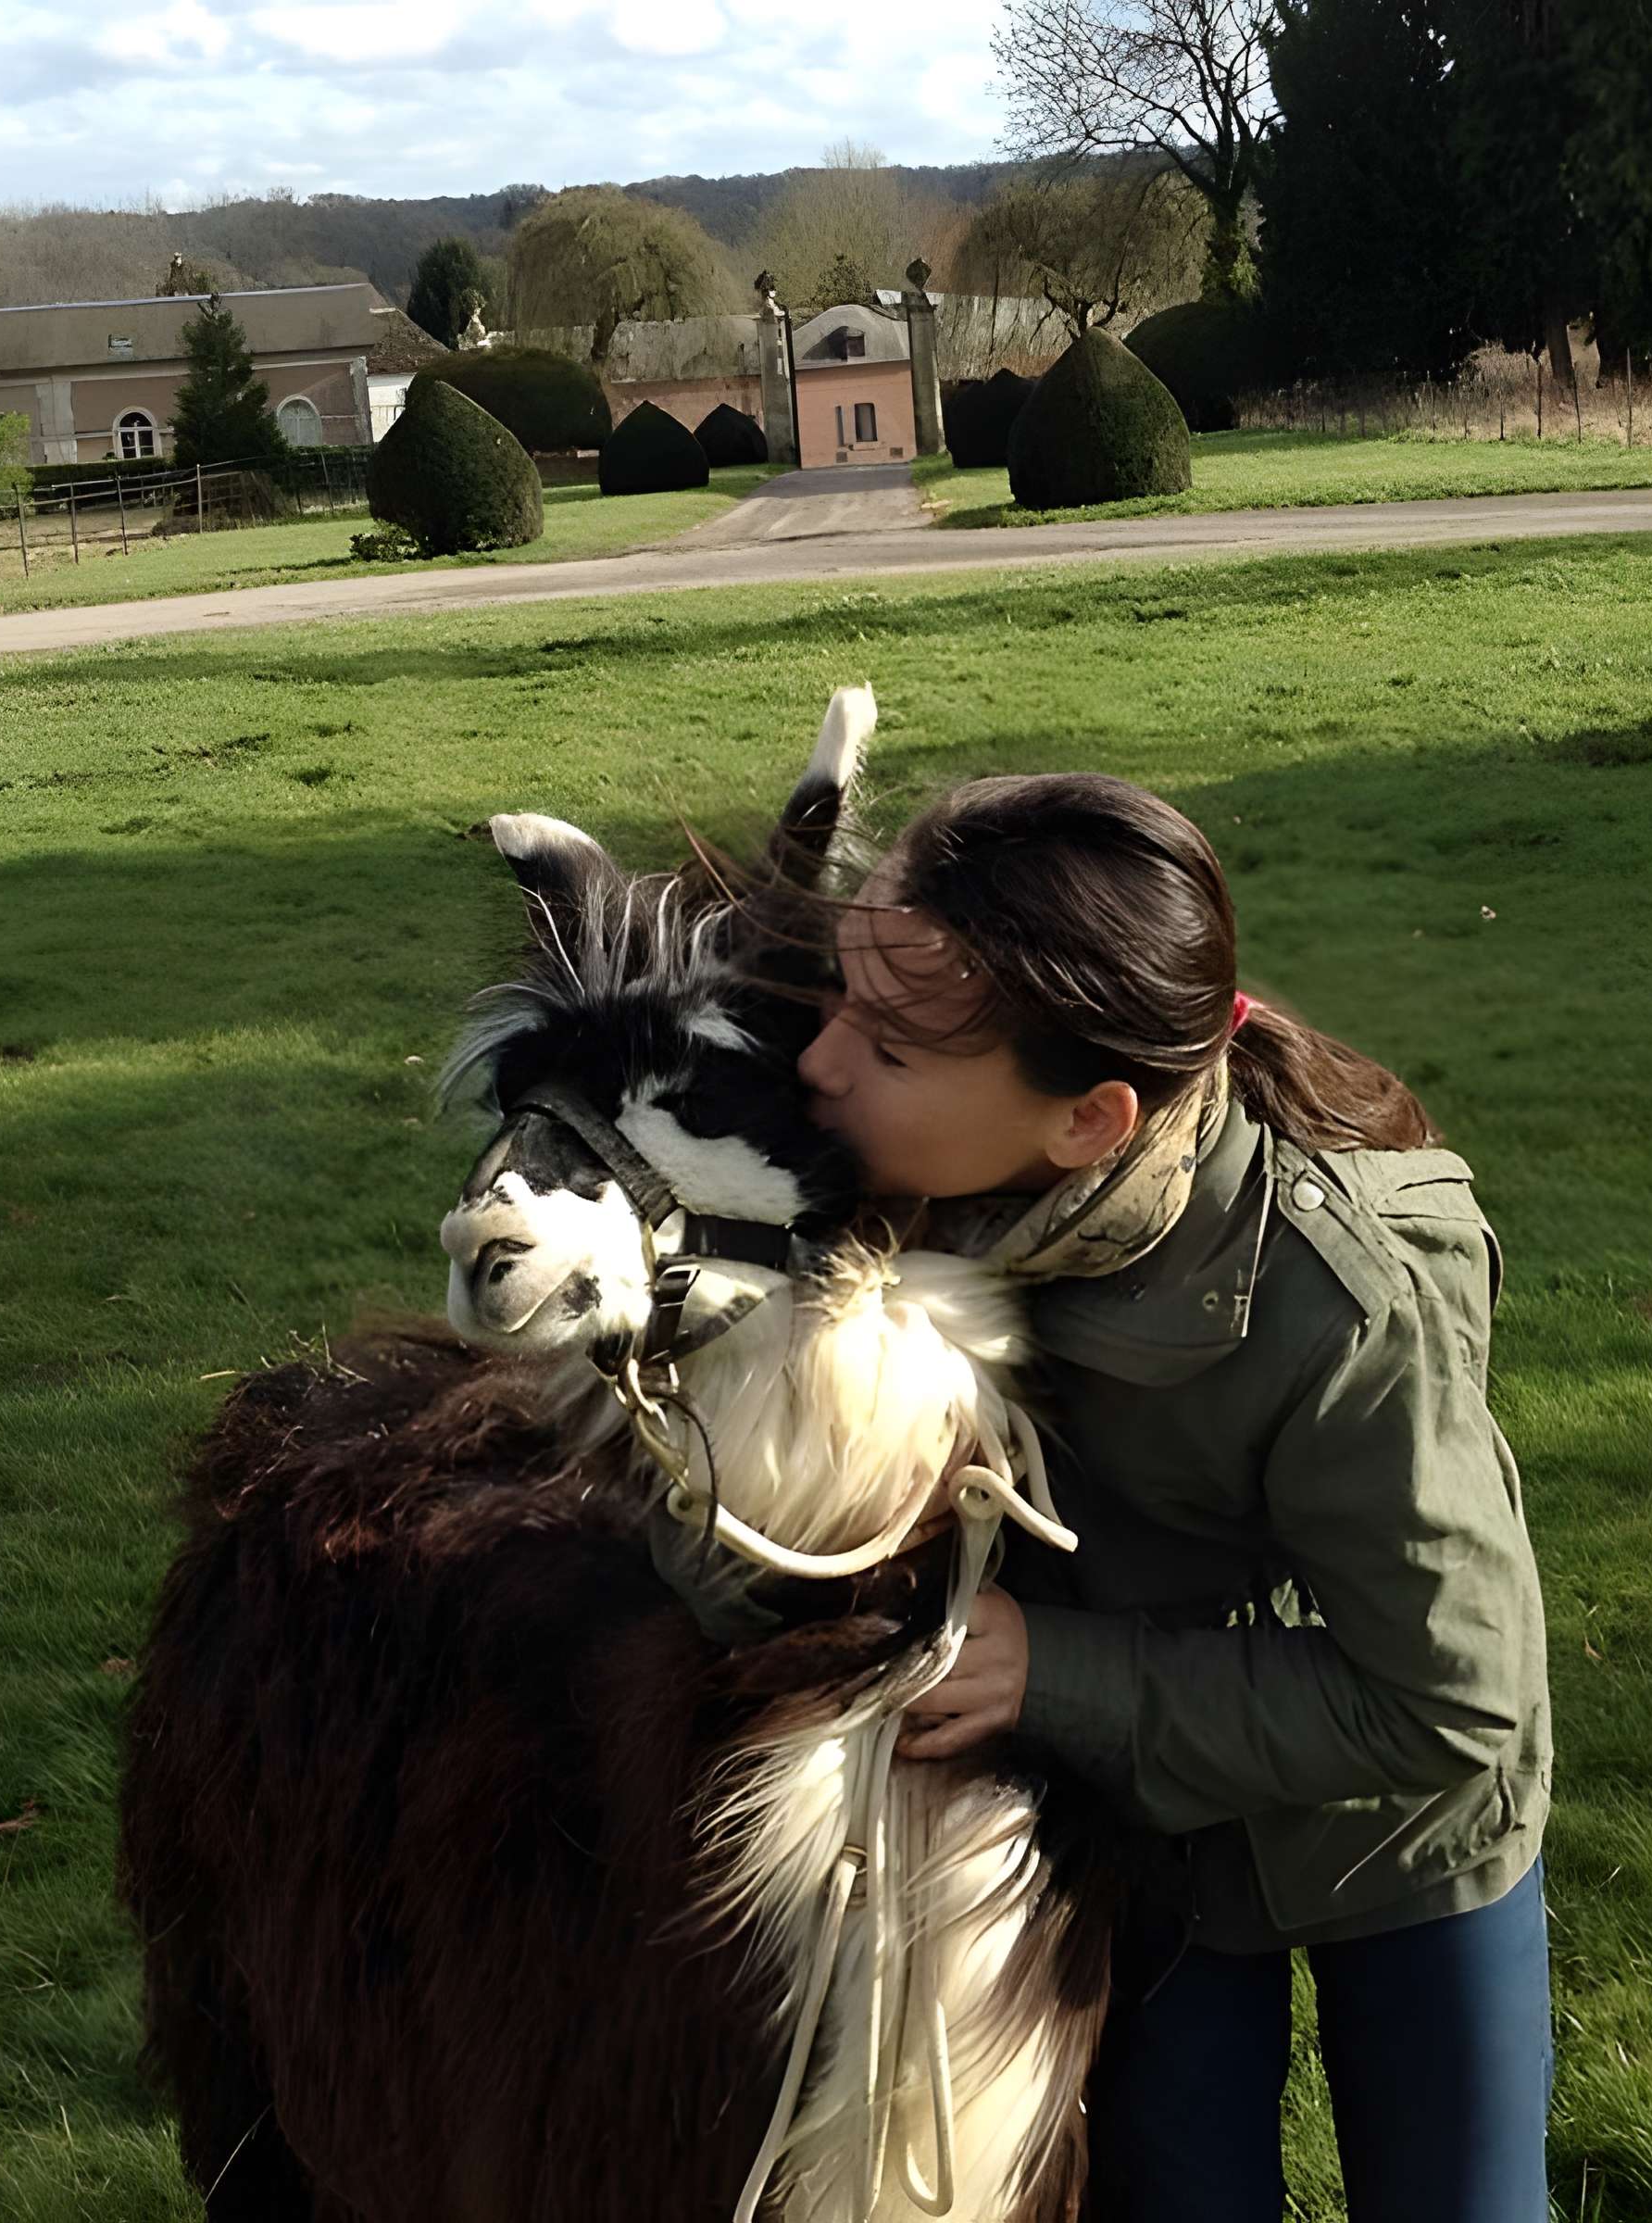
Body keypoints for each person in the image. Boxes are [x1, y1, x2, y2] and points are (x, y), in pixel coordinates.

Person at [662, 771, 1554, 2222]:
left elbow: (1454, 1702)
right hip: (1137, 1844)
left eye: (882, 1045)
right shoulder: (875, 1176)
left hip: (1401, 1827)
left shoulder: (1340, 1311)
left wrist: (1056, 1673)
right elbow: (750, 1561)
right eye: (836, 997)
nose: (815, 1064)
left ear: (1090, 1122)